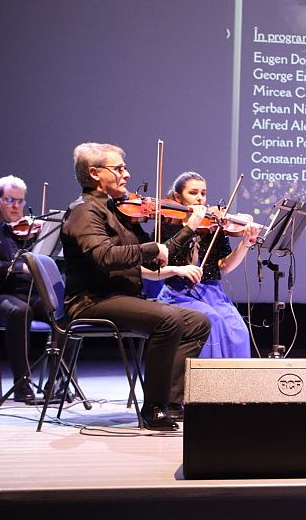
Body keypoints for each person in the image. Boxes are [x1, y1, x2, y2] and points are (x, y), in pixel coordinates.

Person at [61, 143, 211, 431]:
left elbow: (157, 256)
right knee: (168, 319)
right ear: (94, 173)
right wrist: (151, 248)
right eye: (118, 168)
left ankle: (171, 402)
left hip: (119, 297)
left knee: (198, 322)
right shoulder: (84, 212)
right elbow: (104, 257)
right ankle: (153, 408)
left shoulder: (116, 211)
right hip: (92, 300)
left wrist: (188, 228)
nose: (127, 174)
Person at [151, 171, 260, 360]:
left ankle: (235, 379)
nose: (200, 198)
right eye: (193, 193)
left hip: (213, 294)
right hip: (178, 294)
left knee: (238, 329)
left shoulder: (213, 226)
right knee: (211, 320)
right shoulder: (166, 225)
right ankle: (205, 377)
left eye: (203, 193)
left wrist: (246, 243)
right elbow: (156, 265)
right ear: (178, 196)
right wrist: (190, 226)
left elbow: (224, 266)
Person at [0, 176, 51, 404]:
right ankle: (21, 384)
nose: (16, 206)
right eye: (9, 200)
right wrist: (17, 267)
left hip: (30, 293)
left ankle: (57, 382)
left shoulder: (32, 232)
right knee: (20, 311)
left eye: (20, 201)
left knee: (65, 310)